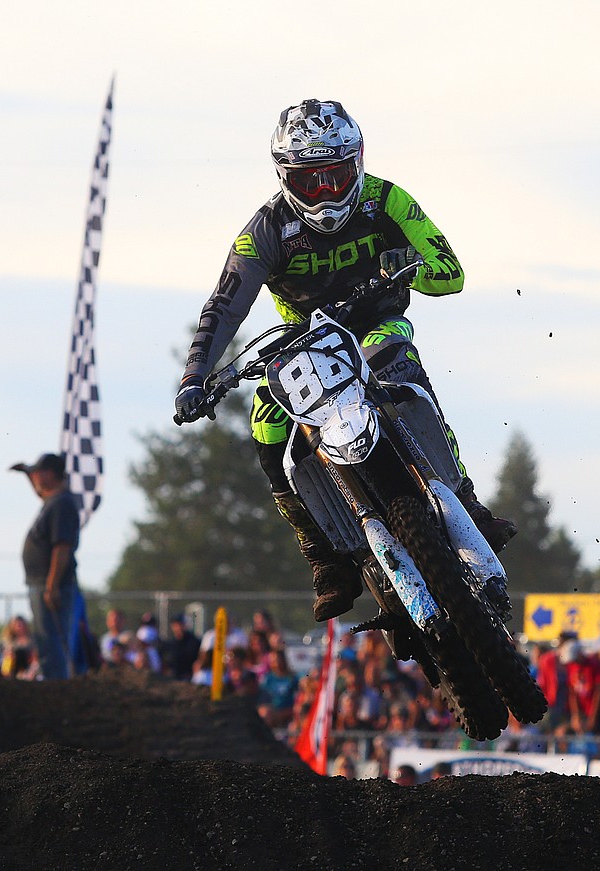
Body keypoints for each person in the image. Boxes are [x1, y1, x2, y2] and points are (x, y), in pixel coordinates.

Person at [173, 98, 515, 623]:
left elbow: (451, 274)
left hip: (378, 321)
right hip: (303, 344)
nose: (328, 192)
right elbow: (224, 305)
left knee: (401, 371)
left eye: (337, 175)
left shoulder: (387, 200)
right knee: (266, 430)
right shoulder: (265, 229)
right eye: (312, 182)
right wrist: (196, 375)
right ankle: (325, 558)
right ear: (286, 177)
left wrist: (410, 266)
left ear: (357, 161)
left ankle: (464, 501)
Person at [10, 452, 80, 680]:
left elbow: (62, 547)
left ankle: (57, 690)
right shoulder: (54, 500)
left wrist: (52, 585)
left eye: (39, 472)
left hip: (49, 586)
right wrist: (27, 475)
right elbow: (41, 492)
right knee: (47, 641)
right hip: (42, 584)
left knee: (52, 642)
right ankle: (56, 686)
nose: (36, 477)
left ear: (50, 473)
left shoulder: (62, 504)